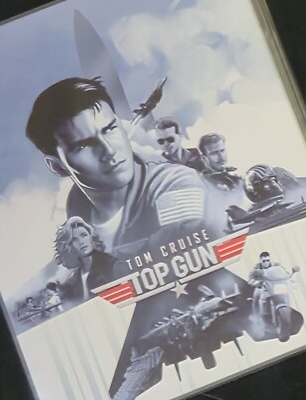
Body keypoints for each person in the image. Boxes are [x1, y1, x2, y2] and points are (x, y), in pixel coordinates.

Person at [24, 77, 217, 263]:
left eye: (109, 129)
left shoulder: (174, 183)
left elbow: (177, 256)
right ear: (58, 166)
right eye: (83, 146)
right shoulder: (76, 218)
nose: (109, 150)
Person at [52, 215, 116, 302]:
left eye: (84, 235)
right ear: (69, 247)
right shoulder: (75, 278)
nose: (81, 242)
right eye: (74, 239)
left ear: (91, 237)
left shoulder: (111, 264)